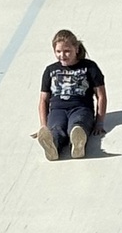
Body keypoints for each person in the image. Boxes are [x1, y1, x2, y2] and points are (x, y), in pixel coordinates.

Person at [36, 29, 107, 161]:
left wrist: (99, 122)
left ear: (76, 49)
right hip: (57, 110)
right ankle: (52, 147)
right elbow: (43, 100)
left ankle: (77, 145)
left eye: (67, 51)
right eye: (58, 51)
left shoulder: (89, 67)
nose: (62, 55)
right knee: (56, 128)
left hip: (81, 108)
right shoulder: (50, 70)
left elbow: (101, 95)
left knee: (77, 125)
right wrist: (43, 126)